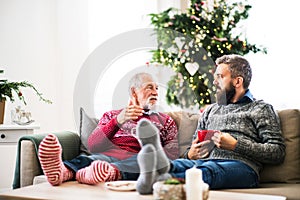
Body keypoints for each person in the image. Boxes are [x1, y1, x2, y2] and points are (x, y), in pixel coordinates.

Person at [136, 54, 286, 194]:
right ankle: (160, 168)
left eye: (220, 77)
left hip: (242, 167)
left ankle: (159, 181)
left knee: (209, 171)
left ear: (238, 81)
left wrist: (235, 145)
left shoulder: (260, 108)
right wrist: (190, 153)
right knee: (182, 165)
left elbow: (277, 152)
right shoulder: (210, 110)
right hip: (204, 162)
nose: (214, 82)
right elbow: (192, 149)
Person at [38, 72, 179, 186]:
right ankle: (62, 172)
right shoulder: (112, 116)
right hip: (106, 158)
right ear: (134, 92)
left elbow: (171, 157)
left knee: (146, 161)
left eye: (157, 88)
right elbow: (92, 145)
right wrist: (119, 121)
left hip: (137, 160)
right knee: (90, 159)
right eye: (149, 87)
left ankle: (106, 173)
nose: (155, 92)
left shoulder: (166, 121)